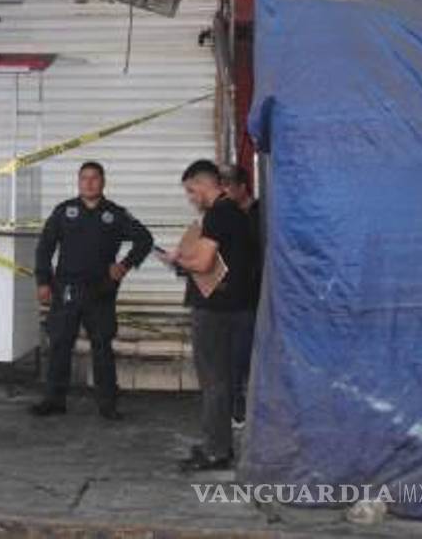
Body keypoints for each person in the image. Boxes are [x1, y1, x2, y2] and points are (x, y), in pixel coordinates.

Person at [31, 161, 154, 420]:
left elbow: (145, 239)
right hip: (66, 289)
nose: (88, 183)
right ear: (78, 182)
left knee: (102, 348)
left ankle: (107, 405)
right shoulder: (64, 211)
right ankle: (54, 400)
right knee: (60, 344)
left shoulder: (115, 214)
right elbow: (44, 248)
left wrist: (124, 265)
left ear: (103, 182)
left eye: (94, 178)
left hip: (101, 291)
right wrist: (43, 281)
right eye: (84, 178)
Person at [160, 160, 259, 472]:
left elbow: (203, 264)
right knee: (227, 381)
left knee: (214, 381)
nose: (191, 198)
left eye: (191, 191)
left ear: (203, 185)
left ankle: (216, 450)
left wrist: (178, 259)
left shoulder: (217, 214)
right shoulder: (239, 214)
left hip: (216, 310)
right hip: (240, 308)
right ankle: (222, 445)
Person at [219, 164, 263, 428]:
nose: (223, 192)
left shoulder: (260, 214)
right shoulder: (226, 214)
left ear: (241, 187)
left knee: (244, 354)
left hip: (254, 294)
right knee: (233, 355)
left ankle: (244, 407)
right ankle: (235, 407)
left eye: (227, 186)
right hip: (232, 295)